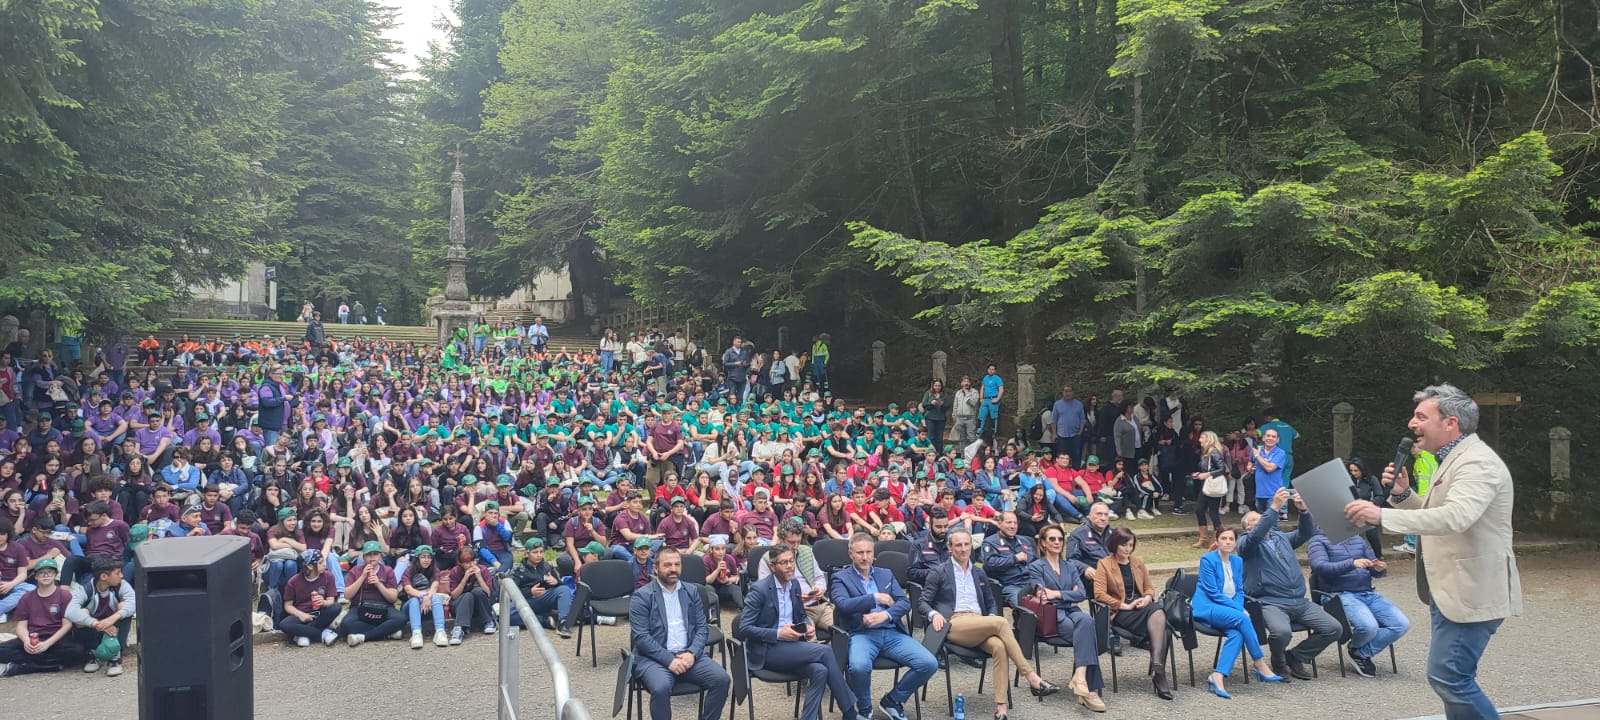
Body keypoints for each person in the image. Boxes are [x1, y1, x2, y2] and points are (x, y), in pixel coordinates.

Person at [1344, 384, 1521, 719]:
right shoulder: (1450, 458)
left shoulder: (1478, 463)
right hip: (1450, 592)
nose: (1412, 423)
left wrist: (1381, 514)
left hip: (1471, 593)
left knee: (1450, 677)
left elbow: (1455, 517)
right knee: (1451, 678)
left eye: (1421, 416)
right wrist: (1403, 494)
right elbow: (1434, 516)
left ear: (1450, 423)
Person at [920, 528, 1059, 719]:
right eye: (958, 545)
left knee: (1000, 646)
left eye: (966, 544)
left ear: (971, 546)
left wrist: (991, 618)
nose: (963, 549)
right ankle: (1032, 678)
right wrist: (933, 613)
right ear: (950, 547)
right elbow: (922, 602)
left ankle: (1001, 710)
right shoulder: (939, 572)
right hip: (954, 623)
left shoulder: (978, 572)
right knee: (1001, 622)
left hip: (979, 623)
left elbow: (991, 601)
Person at [737, 542, 857, 720]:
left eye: (791, 561)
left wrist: (807, 624)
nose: (789, 566)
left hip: (792, 646)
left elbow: (800, 615)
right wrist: (778, 633)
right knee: (825, 651)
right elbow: (744, 628)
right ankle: (850, 712)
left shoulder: (794, 585)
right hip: (767, 650)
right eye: (783, 563)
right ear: (772, 566)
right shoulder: (759, 590)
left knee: (820, 671)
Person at [828, 534, 935, 720]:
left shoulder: (885, 573)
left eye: (868, 552)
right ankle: (864, 707)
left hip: (891, 632)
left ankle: (893, 700)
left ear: (873, 553)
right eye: (860, 552)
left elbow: (904, 603)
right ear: (850, 554)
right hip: (861, 634)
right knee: (859, 667)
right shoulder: (840, 578)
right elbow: (843, 604)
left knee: (929, 663)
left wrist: (885, 615)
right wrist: (874, 598)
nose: (864, 557)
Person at [1238, 488, 1340, 679]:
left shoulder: (1280, 538)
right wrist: (1274, 507)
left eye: (1263, 518)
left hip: (1299, 601)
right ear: (1248, 528)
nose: (1262, 521)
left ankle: (1295, 656)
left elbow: (1306, 532)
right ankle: (1278, 663)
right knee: (1281, 633)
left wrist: (1303, 511)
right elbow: (1256, 535)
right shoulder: (1246, 543)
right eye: (1256, 521)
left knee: (1334, 628)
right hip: (1271, 603)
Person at [628, 546, 731, 720]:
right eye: (667, 565)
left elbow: (702, 628)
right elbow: (641, 638)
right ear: (655, 568)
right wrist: (669, 660)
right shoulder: (642, 596)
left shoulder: (692, 592)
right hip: (655, 658)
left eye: (677, 564)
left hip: (688, 655)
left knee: (722, 679)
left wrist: (692, 654)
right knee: (661, 688)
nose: (673, 569)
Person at [1193, 526, 1285, 698]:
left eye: (1231, 539)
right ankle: (1259, 662)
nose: (1228, 542)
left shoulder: (1237, 561)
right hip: (1207, 607)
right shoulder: (1207, 560)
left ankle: (1217, 675)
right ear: (1217, 540)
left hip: (1228, 610)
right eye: (1224, 538)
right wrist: (1239, 609)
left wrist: (1238, 607)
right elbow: (1213, 593)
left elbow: (1239, 591)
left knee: (1237, 634)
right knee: (1242, 619)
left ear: (1235, 542)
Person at [1307, 530, 1409, 677]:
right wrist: (1352, 564)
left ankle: (1359, 652)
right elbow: (1320, 568)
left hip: (1367, 593)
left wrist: (1378, 568)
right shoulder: (1318, 540)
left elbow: (1373, 568)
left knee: (1401, 624)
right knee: (1368, 626)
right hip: (1338, 594)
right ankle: (1359, 650)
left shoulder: (1358, 539)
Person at [1027, 524, 1106, 711]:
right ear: (1044, 543)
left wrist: (1057, 594)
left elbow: (1082, 594)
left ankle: (1080, 678)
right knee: (1089, 635)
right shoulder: (1036, 567)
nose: (1057, 542)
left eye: (1060, 539)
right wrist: (1066, 593)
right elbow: (1043, 595)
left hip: (1071, 611)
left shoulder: (1069, 566)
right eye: (1052, 539)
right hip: (1051, 615)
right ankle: (1090, 691)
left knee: (1087, 621)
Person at [1092, 527, 1172, 699]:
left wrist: (1147, 598)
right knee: (1164, 628)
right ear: (1115, 545)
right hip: (1121, 611)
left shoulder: (1137, 562)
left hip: (1141, 605)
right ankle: (1160, 675)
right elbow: (1098, 593)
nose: (1128, 549)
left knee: (1158, 610)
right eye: (1124, 545)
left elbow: (1149, 587)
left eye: (1130, 545)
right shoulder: (1104, 564)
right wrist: (1122, 605)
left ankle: (1158, 667)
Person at [0, 558, 80, 675]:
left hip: (57, 639)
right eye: (41, 573)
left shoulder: (65, 595)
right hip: (33, 637)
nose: (46, 575)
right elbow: (21, 626)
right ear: (36, 576)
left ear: (55, 575)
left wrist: (47, 644)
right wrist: (26, 641)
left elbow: (67, 625)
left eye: (50, 572)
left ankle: (22, 667)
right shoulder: (27, 597)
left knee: (78, 651)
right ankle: (51, 665)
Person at [756, 519, 834, 630]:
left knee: (842, 633)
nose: (796, 546)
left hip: (820, 604)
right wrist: (793, 597)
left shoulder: (807, 551)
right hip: (796, 610)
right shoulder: (768, 559)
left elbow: (819, 577)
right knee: (809, 638)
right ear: (781, 540)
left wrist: (820, 589)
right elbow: (765, 593)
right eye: (792, 542)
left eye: (799, 541)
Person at [338, 540, 406, 646]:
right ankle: (387, 632)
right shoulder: (356, 570)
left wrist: (378, 584)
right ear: (363, 557)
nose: (372, 557)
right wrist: (362, 577)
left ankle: (363, 637)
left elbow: (393, 598)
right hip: (360, 607)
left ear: (380, 556)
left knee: (401, 619)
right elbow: (347, 595)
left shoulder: (387, 570)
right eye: (368, 554)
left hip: (384, 607)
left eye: (375, 554)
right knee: (346, 624)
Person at [508, 537, 574, 638]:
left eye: (541, 552)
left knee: (564, 590)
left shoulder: (547, 566)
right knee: (507, 615)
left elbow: (562, 587)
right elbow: (512, 594)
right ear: (527, 553)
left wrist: (556, 582)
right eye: (535, 552)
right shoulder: (518, 570)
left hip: (546, 597)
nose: (539, 555)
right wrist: (530, 592)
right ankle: (544, 620)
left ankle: (563, 623)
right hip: (527, 601)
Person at [281, 549, 342, 647]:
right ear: (310, 566)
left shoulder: (328, 576)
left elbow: (331, 600)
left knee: (336, 607)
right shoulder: (293, 581)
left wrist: (323, 602)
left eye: (324, 561)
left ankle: (302, 633)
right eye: (320, 562)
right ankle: (323, 633)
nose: (325, 565)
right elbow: (288, 605)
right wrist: (300, 614)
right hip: (301, 614)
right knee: (285, 624)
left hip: (320, 613)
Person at [979, 511, 1035, 606]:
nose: (1013, 526)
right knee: (1025, 607)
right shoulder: (990, 543)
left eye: (1015, 523)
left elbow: (1035, 561)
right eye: (1009, 522)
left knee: (1050, 603)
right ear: (999, 524)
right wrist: (1014, 559)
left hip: (1031, 582)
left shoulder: (1025, 541)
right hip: (1010, 584)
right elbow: (989, 564)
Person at [401, 545, 450, 649]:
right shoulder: (408, 571)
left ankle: (440, 631)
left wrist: (427, 598)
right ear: (417, 558)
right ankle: (416, 633)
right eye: (423, 557)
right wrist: (424, 596)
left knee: (436, 597)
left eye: (429, 557)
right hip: (410, 608)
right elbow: (409, 590)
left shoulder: (435, 570)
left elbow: (435, 586)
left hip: (428, 607)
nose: (426, 560)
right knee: (414, 600)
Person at [1050, 385, 1088, 469]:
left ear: (1073, 392)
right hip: (1061, 435)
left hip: (1075, 435)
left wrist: (1080, 432)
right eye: (1066, 391)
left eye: (1070, 391)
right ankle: (1061, 473)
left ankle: (1075, 474)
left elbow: (1082, 419)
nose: (1068, 393)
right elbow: (1053, 420)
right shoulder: (1057, 404)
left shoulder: (1079, 404)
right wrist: (1054, 433)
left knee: (1076, 455)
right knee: (1062, 456)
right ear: (1063, 392)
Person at [1250, 428, 1286, 512]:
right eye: (1268, 436)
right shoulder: (1257, 450)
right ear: (1263, 438)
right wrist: (1251, 468)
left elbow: (1269, 468)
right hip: (1259, 493)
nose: (1270, 438)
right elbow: (1250, 463)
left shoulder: (1280, 453)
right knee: (1260, 522)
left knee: (1271, 523)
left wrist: (1257, 456)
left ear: (1277, 440)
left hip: (1274, 494)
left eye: (1274, 437)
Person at [977, 364, 1003, 443]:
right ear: (987, 370)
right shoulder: (985, 378)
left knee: (993, 417)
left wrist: (998, 398)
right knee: (981, 416)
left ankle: (993, 432)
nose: (991, 370)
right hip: (985, 400)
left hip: (993, 399)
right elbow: (982, 388)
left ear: (995, 371)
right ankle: (979, 431)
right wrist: (981, 398)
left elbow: (1001, 389)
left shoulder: (997, 379)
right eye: (989, 369)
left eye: (993, 369)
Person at [952, 377, 980, 449]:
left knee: (971, 438)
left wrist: (967, 394)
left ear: (970, 383)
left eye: (967, 381)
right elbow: (955, 406)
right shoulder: (958, 393)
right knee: (961, 438)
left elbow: (974, 403)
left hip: (970, 418)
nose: (966, 383)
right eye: (964, 381)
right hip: (959, 418)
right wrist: (955, 418)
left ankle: (972, 455)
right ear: (961, 383)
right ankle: (963, 455)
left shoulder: (974, 392)